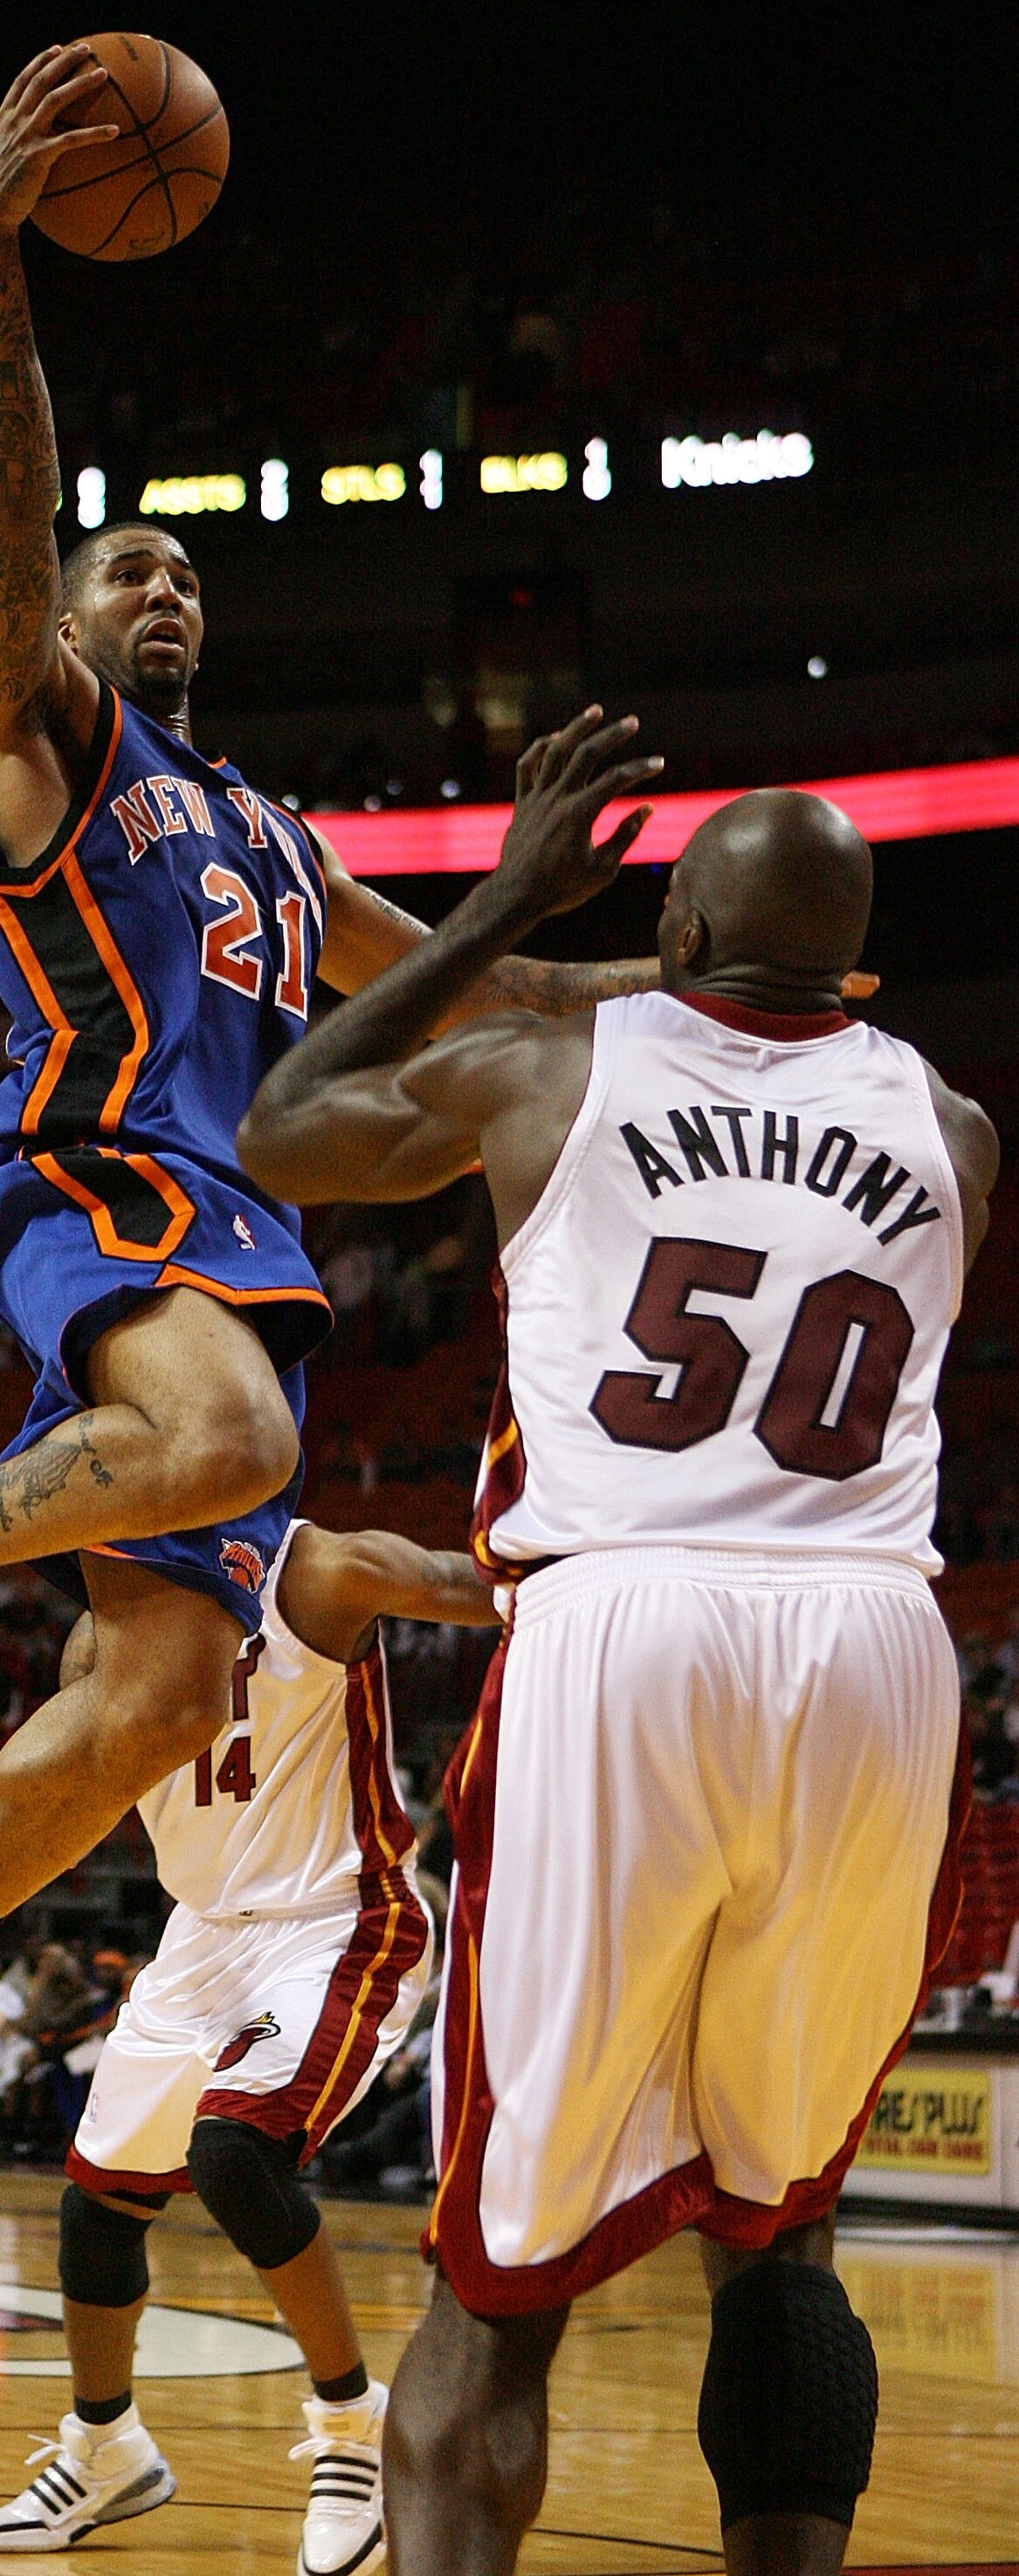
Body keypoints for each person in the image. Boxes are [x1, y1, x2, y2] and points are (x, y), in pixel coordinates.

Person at [0, 44, 655, 2235]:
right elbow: (10, 505)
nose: (165, 592)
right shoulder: (49, 747)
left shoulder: (269, 831)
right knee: (224, 1446)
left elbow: (491, 990)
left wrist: (714, 983)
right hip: (87, 1177)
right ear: (59, 614)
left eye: (186, 578)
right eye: (129, 567)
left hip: (222, 1235)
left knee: (140, 1702)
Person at [237, 719, 1000, 2576]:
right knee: (787, 2218)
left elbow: (278, 1131)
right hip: (877, 1651)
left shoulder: (551, 1060)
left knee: (498, 2275)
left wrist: (501, 902)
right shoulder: (956, 1131)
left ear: (667, 934)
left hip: (625, 1622)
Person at [0, 1518, 492, 2566]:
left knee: (232, 2151)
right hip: (201, 1932)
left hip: (336, 1918)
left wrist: (591, 1563)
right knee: (100, 2202)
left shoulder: (323, 1571)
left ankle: (355, 2429)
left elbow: (472, 1584)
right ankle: (106, 2445)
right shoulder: (100, 1638)